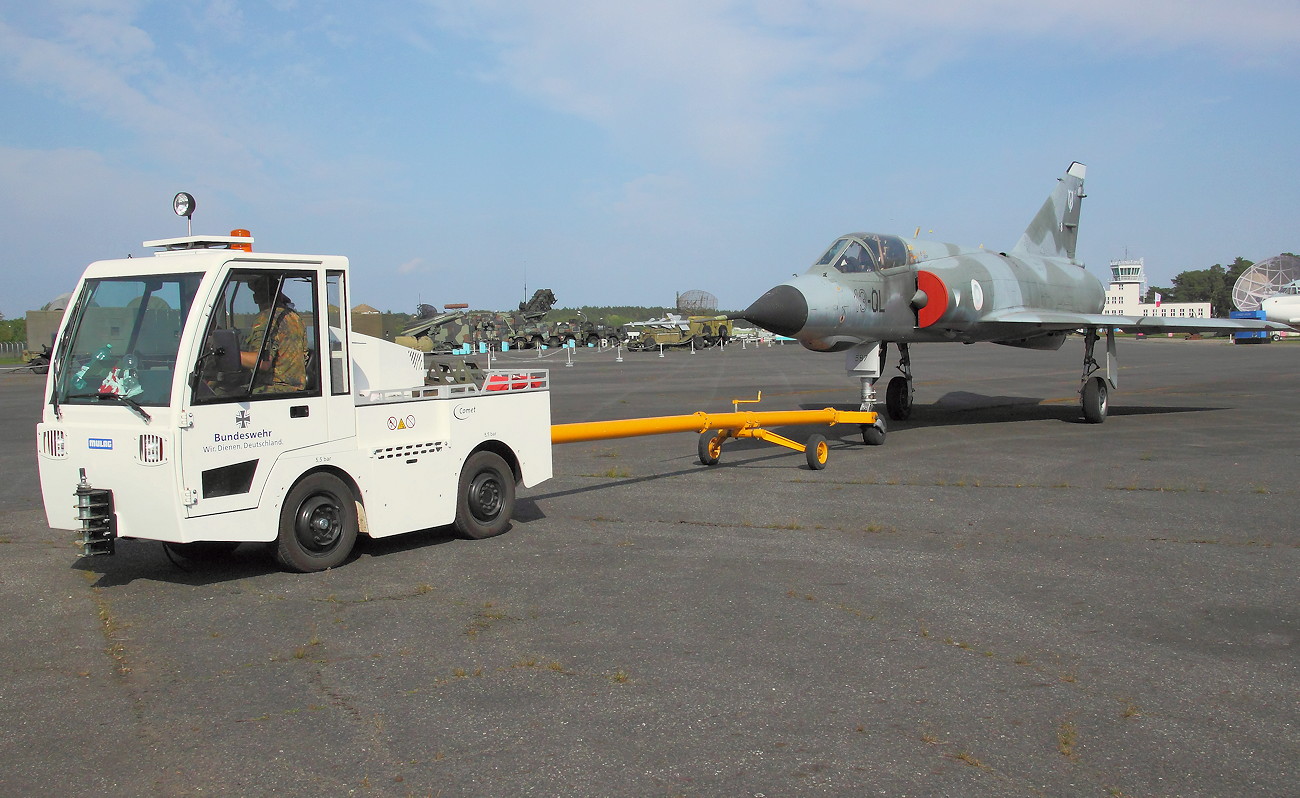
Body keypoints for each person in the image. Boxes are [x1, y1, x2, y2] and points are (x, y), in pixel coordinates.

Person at [241, 276, 308, 393]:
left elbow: (262, 362)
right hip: (295, 388)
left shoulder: (266, 318)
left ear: (255, 298)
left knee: (219, 393)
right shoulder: (294, 317)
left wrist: (229, 355)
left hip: (273, 389)